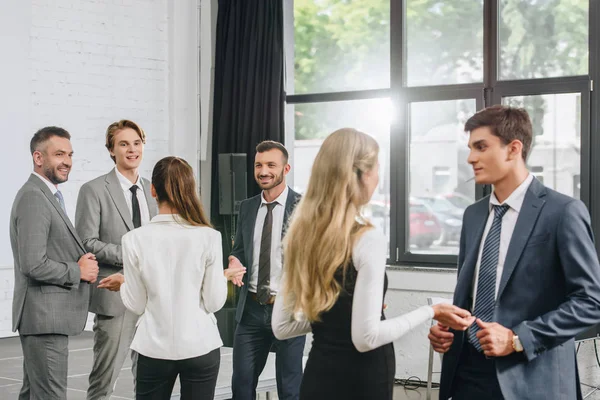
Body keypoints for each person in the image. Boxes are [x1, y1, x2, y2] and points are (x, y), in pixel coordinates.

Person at [271, 128, 474, 400]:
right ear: (362, 175)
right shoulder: (367, 238)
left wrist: (340, 317)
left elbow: (281, 327)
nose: (378, 177)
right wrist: (432, 311)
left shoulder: (300, 236)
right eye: (377, 168)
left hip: (318, 377)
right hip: (361, 380)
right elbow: (366, 338)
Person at [428, 105, 600, 400]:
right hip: (467, 374)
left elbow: (591, 302)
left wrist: (517, 339)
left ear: (513, 148)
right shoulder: (472, 215)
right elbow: (469, 298)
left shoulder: (563, 212)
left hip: (533, 378)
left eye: (481, 147)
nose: (471, 158)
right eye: (470, 148)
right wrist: (449, 330)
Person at [120, 156, 227, 399]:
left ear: (153, 190)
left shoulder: (133, 239)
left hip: (153, 348)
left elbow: (136, 304)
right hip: (201, 346)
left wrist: (123, 284)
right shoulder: (209, 237)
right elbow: (214, 302)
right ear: (191, 189)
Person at [11, 126, 99, 399]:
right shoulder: (33, 198)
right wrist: (78, 271)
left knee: (34, 394)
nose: (68, 161)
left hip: (46, 319)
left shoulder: (47, 195)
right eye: (59, 154)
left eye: (70, 154)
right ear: (39, 158)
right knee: (50, 395)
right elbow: (33, 263)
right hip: (43, 319)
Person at [75, 120, 158, 399]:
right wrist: (130, 255)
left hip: (154, 298)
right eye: (123, 144)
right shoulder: (94, 189)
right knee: (104, 380)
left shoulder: (153, 190)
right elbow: (86, 242)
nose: (131, 150)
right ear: (111, 150)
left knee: (149, 379)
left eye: (136, 143)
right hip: (115, 297)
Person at [226, 140, 305, 400]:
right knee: (241, 385)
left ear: (286, 168)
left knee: (290, 388)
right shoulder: (247, 207)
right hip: (250, 309)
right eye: (259, 165)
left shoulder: (305, 207)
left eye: (271, 165)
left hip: (289, 309)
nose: (263, 171)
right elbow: (239, 249)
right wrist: (234, 261)